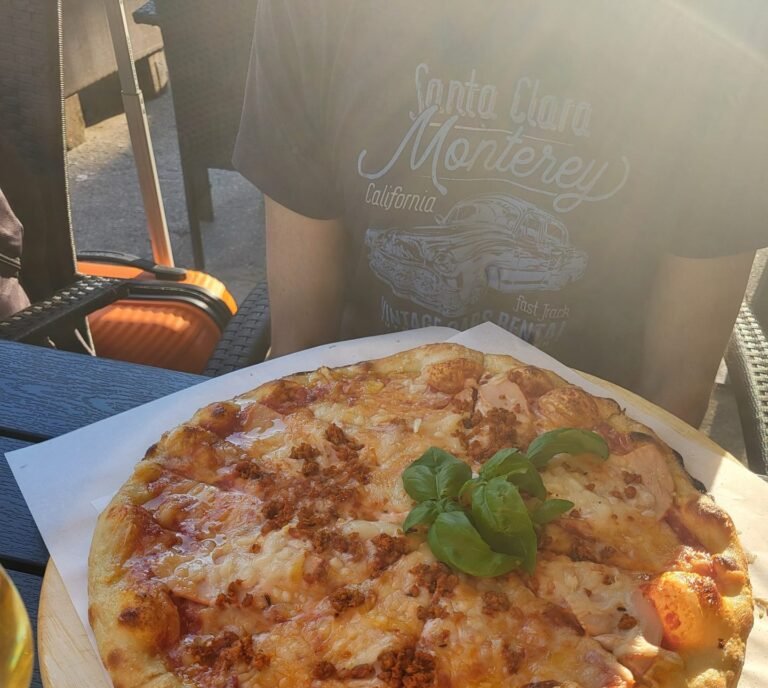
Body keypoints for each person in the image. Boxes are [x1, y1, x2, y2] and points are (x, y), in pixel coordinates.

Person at [233, 0, 768, 425]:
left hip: (591, 447)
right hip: (359, 423)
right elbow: (298, 348)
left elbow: (677, 385)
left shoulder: (723, 23)